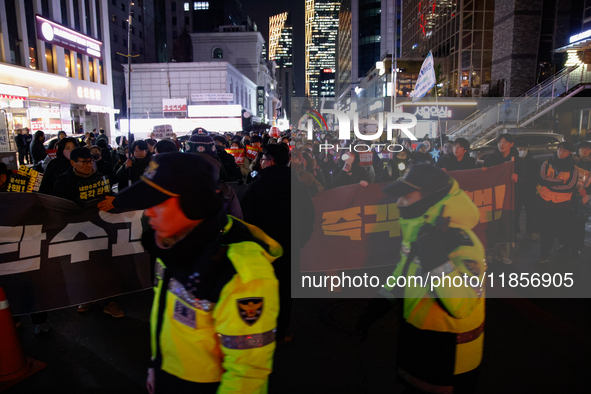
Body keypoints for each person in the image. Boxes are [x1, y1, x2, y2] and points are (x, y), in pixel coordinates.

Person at [98, 153, 280, 393]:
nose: (148, 212)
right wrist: (157, 366)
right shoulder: (172, 244)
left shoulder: (242, 272)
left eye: (158, 203)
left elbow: (247, 372)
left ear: (195, 203)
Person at [370, 164, 486, 393]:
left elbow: (463, 305)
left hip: (448, 348)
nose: (399, 202)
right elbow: (404, 268)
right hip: (419, 333)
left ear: (431, 197)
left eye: (406, 195)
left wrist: (438, 262)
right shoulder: (421, 229)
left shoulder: (462, 240)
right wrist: (383, 299)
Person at [240, 144, 292, 341]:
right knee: (285, 289)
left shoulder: (256, 185)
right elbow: (308, 216)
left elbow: (245, 217)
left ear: (270, 161)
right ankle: (282, 331)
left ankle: (260, 331)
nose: (261, 163)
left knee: (260, 289)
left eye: (262, 159)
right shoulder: (297, 183)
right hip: (289, 246)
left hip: (261, 249)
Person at [482, 134, 522, 265]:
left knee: (505, 224)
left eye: (505, 142)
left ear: (511, 144)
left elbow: (526, 180)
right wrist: (482, 171)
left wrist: (518, 178)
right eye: (500, 142)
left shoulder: (518, 161)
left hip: (507, 199)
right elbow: (483, 177)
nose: (501, 145)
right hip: (491, 198)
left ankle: (503, 255)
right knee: (490, 225)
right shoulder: (490, 159)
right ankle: (488, 254)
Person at [537, 142, 579, 262]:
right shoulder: (547, 163)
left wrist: (551, 186)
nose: (561, 153)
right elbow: (542, 179)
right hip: (545, 202)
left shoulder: (573, 168)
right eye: (559, 150)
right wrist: (560, 182)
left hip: (562, 204)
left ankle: (565, 245)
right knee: (546, 230)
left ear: (570, 153)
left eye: (564, 151)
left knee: (560, 228)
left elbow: (570, 186)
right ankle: (544, 254)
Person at [514, 140, 541, 240]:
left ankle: (531, 232)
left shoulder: (534, 162)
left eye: (524, 149)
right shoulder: (513, 161)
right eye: (520, 149)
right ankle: (515, 232)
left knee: (531, 213)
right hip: (517, 191)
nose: (522, 151)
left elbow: (536, 177)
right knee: (515, 213)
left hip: (530, 191)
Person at [571, 141, 591, 255]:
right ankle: (565, 242)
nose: (585, 151)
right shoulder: (571, 161)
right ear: (578, 150)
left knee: (580, 221)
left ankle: (577, 246)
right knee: (568, 220)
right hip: (569, 194)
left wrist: (587, 191)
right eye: (583, 148)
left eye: (588, 149)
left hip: (584, 196)